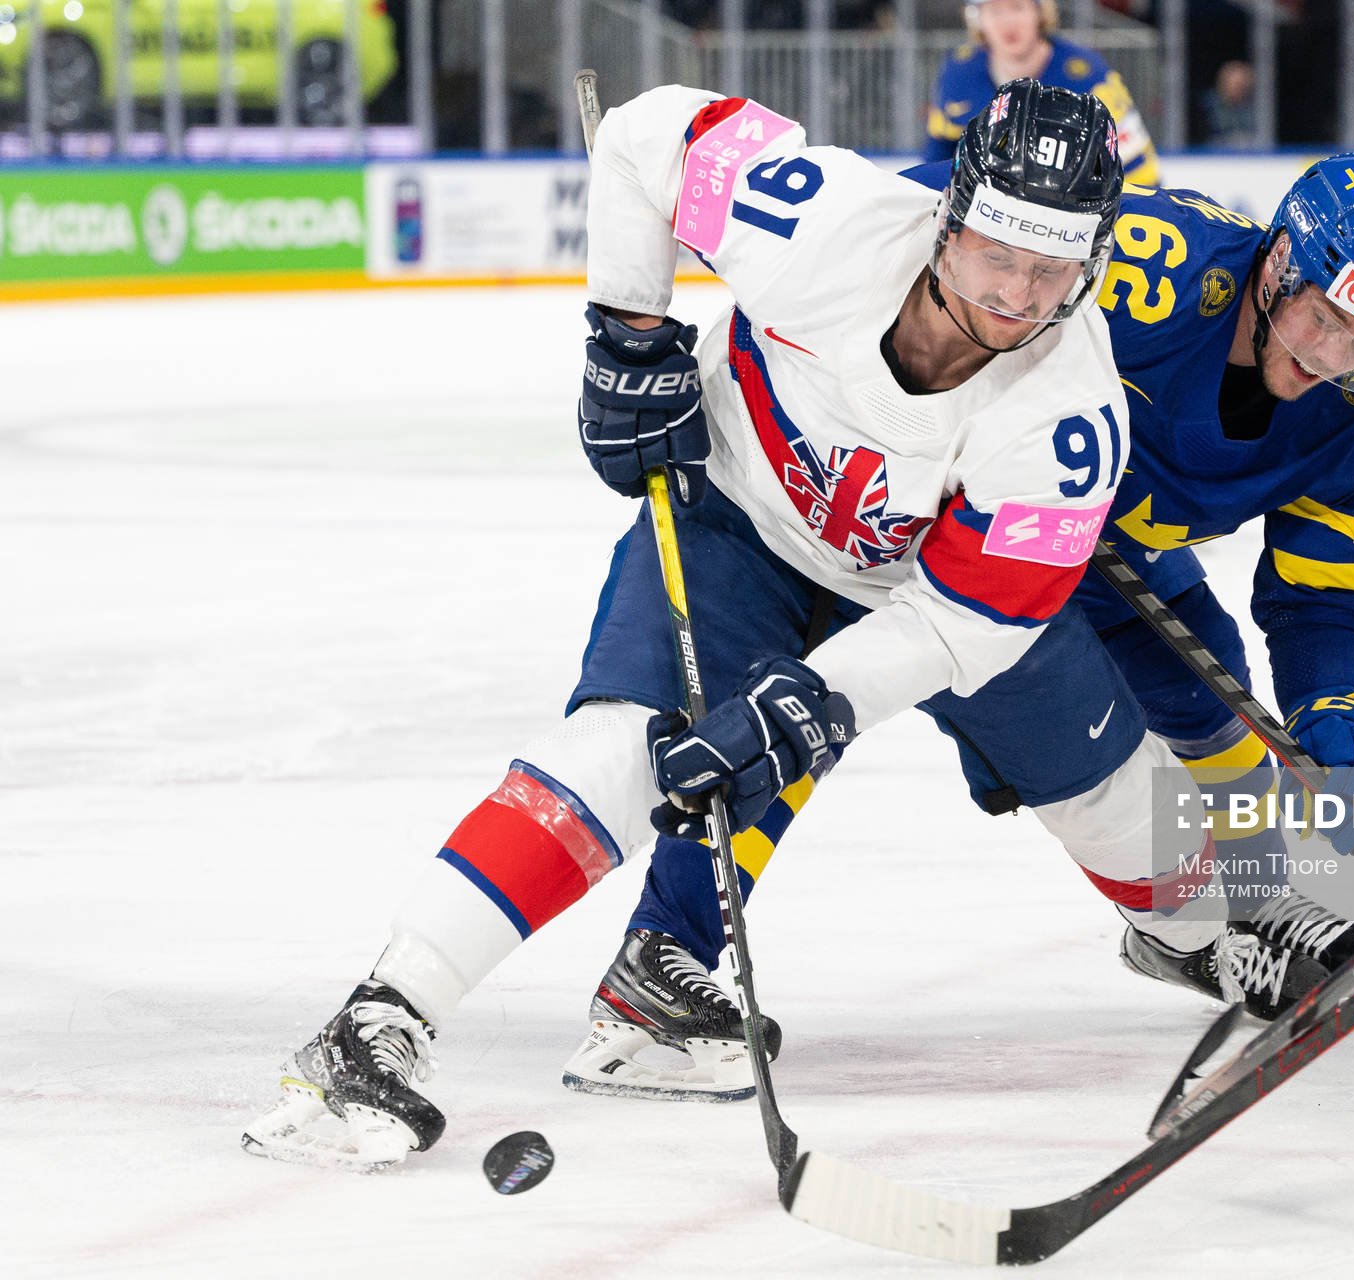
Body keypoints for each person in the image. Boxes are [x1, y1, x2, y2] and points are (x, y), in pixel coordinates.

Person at [241, 79, 1206, 1168]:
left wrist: (827, 696)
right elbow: (645, 135)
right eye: (997, 254)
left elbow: (967, 623)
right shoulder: (823, 222)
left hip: (920, 595)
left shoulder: (1071, 416)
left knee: (1122, 799)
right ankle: (382, 1015)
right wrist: (628, 330)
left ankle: (1239, 925)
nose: (1017, 296)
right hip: (735, 522)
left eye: (1051, 269)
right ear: (950, 215)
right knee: (626, 746)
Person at [571, 152, 1354, 1101]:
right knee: (795, 715)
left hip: (1109, 563)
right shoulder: (1158, 266)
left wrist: (1335, 706)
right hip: (941, 532)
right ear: (1279, 264)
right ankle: (669, 947)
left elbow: (1322, 600)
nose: (1330, 357)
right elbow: (942, 220)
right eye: (1324, 317)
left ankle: (1236, 918)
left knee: (1221, 711)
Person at [926, 0, 1160, 186]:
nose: (1008, 22)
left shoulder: (1088, 77)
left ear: (1040, 12)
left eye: (1017, 7)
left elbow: (1137, 166)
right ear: (977, 19)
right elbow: (939, 154)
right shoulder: (958, 72)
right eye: (995, 11)